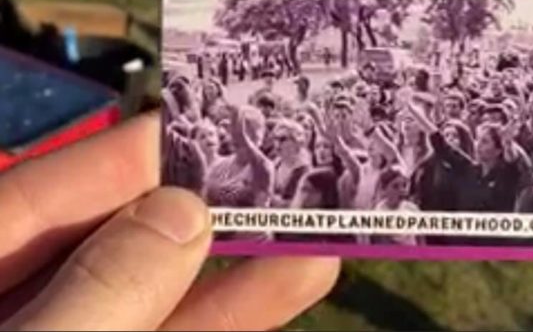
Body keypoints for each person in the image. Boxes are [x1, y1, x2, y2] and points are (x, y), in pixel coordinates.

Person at [0, 113, 338, 331]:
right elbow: (203, 186)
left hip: (235, 242)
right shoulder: (222, 163)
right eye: (273, 137)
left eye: (279, 138)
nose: (275, 142)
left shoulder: (263, 165)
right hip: (200, 240)